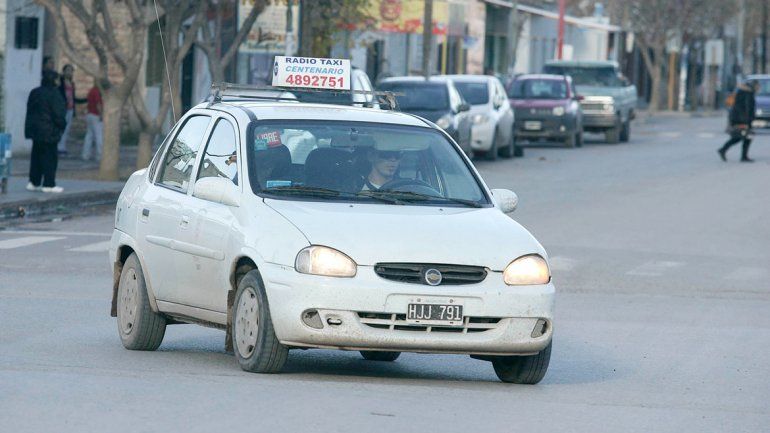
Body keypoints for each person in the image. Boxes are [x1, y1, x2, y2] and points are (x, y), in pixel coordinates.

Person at [25, 70, 67, 193]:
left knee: (36, 157)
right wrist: (61, 126)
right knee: (49, 158)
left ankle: (34, 181)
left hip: (35, 130)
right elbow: (58, 114)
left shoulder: (35, 92)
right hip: (49, 131)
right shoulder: (54, 94)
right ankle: (49, 183)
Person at [718, 80, 758, 162]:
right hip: (742, 120)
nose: (758, 88)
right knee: (741, 137)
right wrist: (747, 122)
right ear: (754, 86)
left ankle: (727, 150)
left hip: (741, 119)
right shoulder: (747, 94)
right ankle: (725, 150)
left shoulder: (743, 92)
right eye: (758, 86)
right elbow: (747, 108)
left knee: (745, 137)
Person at [57, 64, 87, 156]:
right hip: (63, 109)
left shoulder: (72, 84)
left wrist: (85, 99)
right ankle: (58, 147)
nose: (69, 72)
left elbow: (73, 98)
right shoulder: (60, 83)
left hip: (70, 109)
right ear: (64, 71)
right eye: (68, 70)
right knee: (61, 128)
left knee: (67, 128)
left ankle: (62, 147)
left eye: (71, 71)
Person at [82, 81, 103, 161]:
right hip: (95, 115)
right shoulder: (97, 91)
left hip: (90, 114)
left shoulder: (92, 90)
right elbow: (98, 104)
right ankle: (99, 156)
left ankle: (85, 155)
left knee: (89, 136)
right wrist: (101, 114)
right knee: (99, 136)